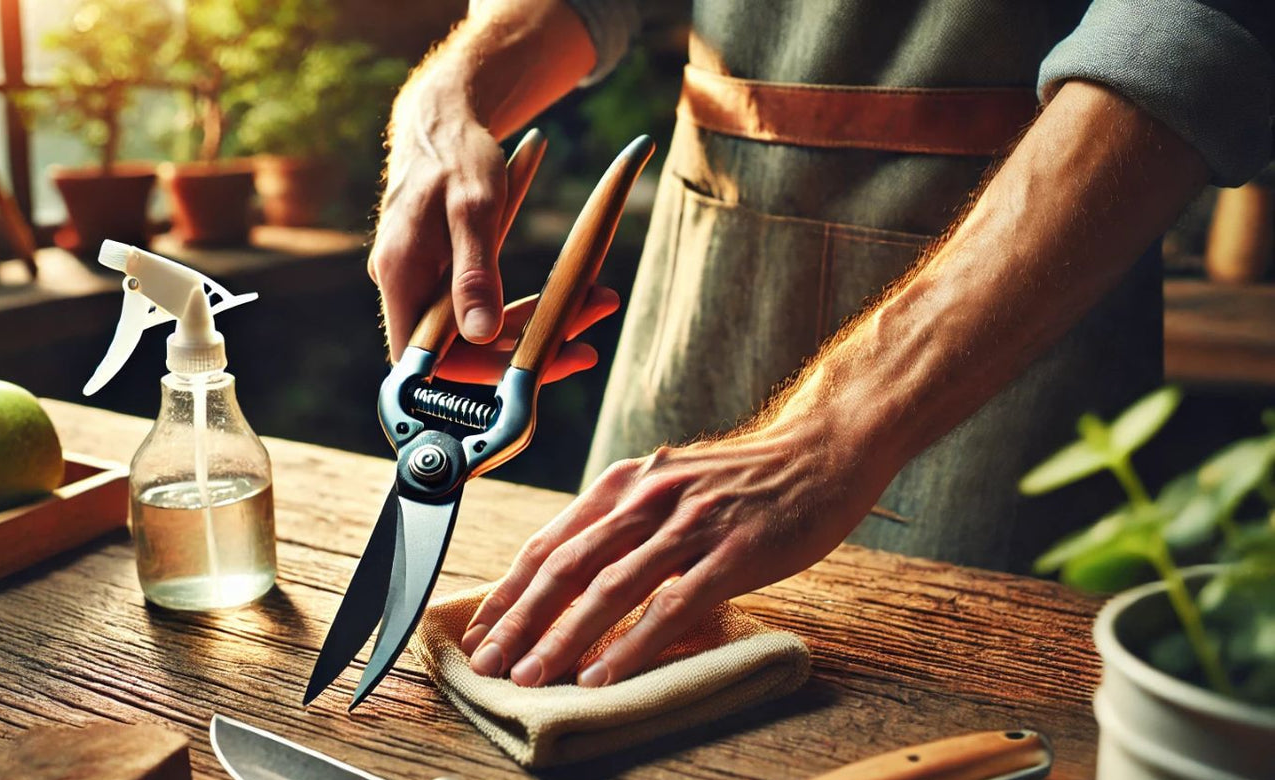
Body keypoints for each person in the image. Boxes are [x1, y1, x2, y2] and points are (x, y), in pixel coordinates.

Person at [368, 0, 1274, 691]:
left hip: (1028, 287)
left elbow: (1194, 29)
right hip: (709, 273)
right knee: (606, 686)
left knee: (967, 706)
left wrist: (839, 426)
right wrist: (448, 99)